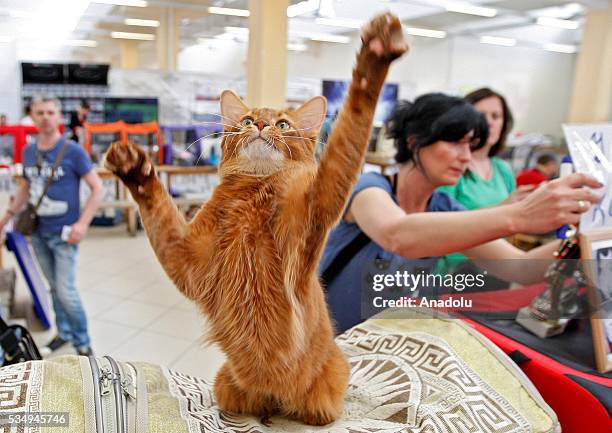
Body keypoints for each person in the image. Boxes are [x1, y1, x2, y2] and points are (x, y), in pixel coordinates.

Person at [319, 93, 602, 333]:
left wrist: (584, 238)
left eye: (470, 145)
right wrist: (520, 215)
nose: (466, 156)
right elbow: (398, 235)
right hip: (326, 344)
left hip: (382, 345)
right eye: (455, 142)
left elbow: (518, 267)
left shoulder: (443, 206)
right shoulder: (368, 188)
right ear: (415, 141)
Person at [0, 95, 103, 356]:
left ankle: (82, 341)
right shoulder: (29, 151)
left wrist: (83, 223)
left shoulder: (73, 152)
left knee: (66, 291)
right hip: (38, 233)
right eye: (40, 113)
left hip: (66, 234)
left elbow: (97, 188)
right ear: (32, 117)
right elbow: (25, 188)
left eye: (50, 112)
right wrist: (5, 218)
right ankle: (64, 333)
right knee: (54, 288)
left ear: (58, 117)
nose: (45, 117)